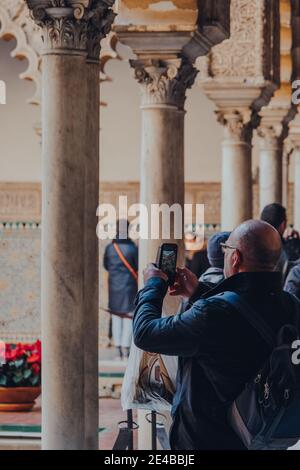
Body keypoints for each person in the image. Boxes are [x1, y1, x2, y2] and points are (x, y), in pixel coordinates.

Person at [132, 220, 299, 450]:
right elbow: (242, 322)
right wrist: (200, 293)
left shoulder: (212, 314)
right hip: (261, 435)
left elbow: (145, 333)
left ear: (235, 258)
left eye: (227, 249)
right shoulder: (292, 305)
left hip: (209, 438)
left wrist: (153, 284)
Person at [104, 220, 138, 360]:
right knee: (129, 316)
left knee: (116, 315)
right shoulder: (133, 248)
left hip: (114, 287)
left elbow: (106, 265)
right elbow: (137, 266)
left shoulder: (110, 248)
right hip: (129, 286)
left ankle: (118, 349)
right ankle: (126, 349)